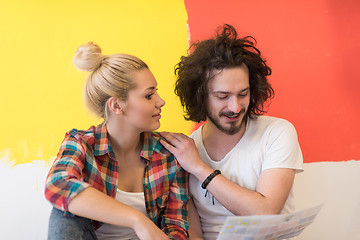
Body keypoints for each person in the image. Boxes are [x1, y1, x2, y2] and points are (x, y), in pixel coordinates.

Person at [160, 24, 303, 240]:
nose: (235, 107)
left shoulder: (277, 132)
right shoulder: (186, 151)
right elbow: (193, 233)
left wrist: (199, 168)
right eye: (222, 96)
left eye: (243, 94)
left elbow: (265, 213)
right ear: (200, 96)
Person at [44, 42, 189, 240]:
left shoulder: (168, 154)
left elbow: (177, 227)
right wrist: (137, 219)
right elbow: (58, 185)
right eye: (149, 95)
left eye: (156, 92)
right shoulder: (81, 143)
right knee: (63, 213)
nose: (160, 101)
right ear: (117, 105)